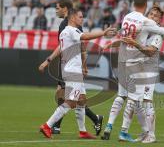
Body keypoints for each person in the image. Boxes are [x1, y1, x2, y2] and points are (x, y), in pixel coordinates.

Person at [101, 0, 164, 143]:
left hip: (149, 70)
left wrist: (136, 44)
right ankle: (145, 131)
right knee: (137, 102)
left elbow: (150, 51)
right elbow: (127, 38)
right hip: (138, 67)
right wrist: (113, 43)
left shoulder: (157, 34)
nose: (153, 16)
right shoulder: (144, 27)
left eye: (156, 15)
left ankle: (151, 135)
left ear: (160, 20)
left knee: (146, 101)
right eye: (151, 14)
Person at [39, 8, 116, 139]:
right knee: (71, 102)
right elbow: (85, 37)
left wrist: (83, 66)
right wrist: (103, 33)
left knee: (81, 100)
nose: (82, 19)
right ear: (73, 18)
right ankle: (47, 125)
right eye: (80, 17)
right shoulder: (71, 30)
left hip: (72, 70)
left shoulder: (64, 32)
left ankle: (83, 131)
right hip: (72, 71)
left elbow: (71, 47)